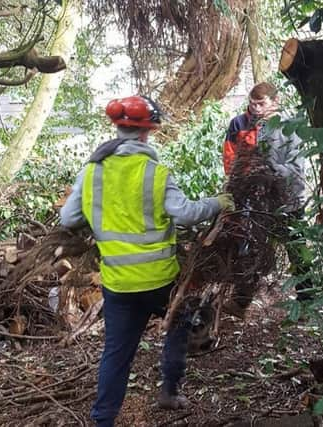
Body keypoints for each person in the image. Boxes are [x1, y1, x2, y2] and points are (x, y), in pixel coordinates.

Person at [60, 95, 234, 427]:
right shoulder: (156, 173)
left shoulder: (93, 170)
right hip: (160, 281)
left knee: (117, 354)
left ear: (118, 129)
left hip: (117, 283)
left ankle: (103, 420)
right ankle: (169, 392)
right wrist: (218, 202)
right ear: (146, 133)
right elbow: (184, 214)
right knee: (178, 328)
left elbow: (68, 219)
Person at [221, 82, 311, 315]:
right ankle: (241, 302)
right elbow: (236, 160)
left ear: (276, 101)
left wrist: (267, 169)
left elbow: (296, 169)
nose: (256, 109)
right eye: (253, 104)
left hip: (288, 201)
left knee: (297, 251)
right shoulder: (248, 125)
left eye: (261, 104)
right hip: (259, 202)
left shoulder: (291, 127)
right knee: (250, 250)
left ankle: (308, 302)